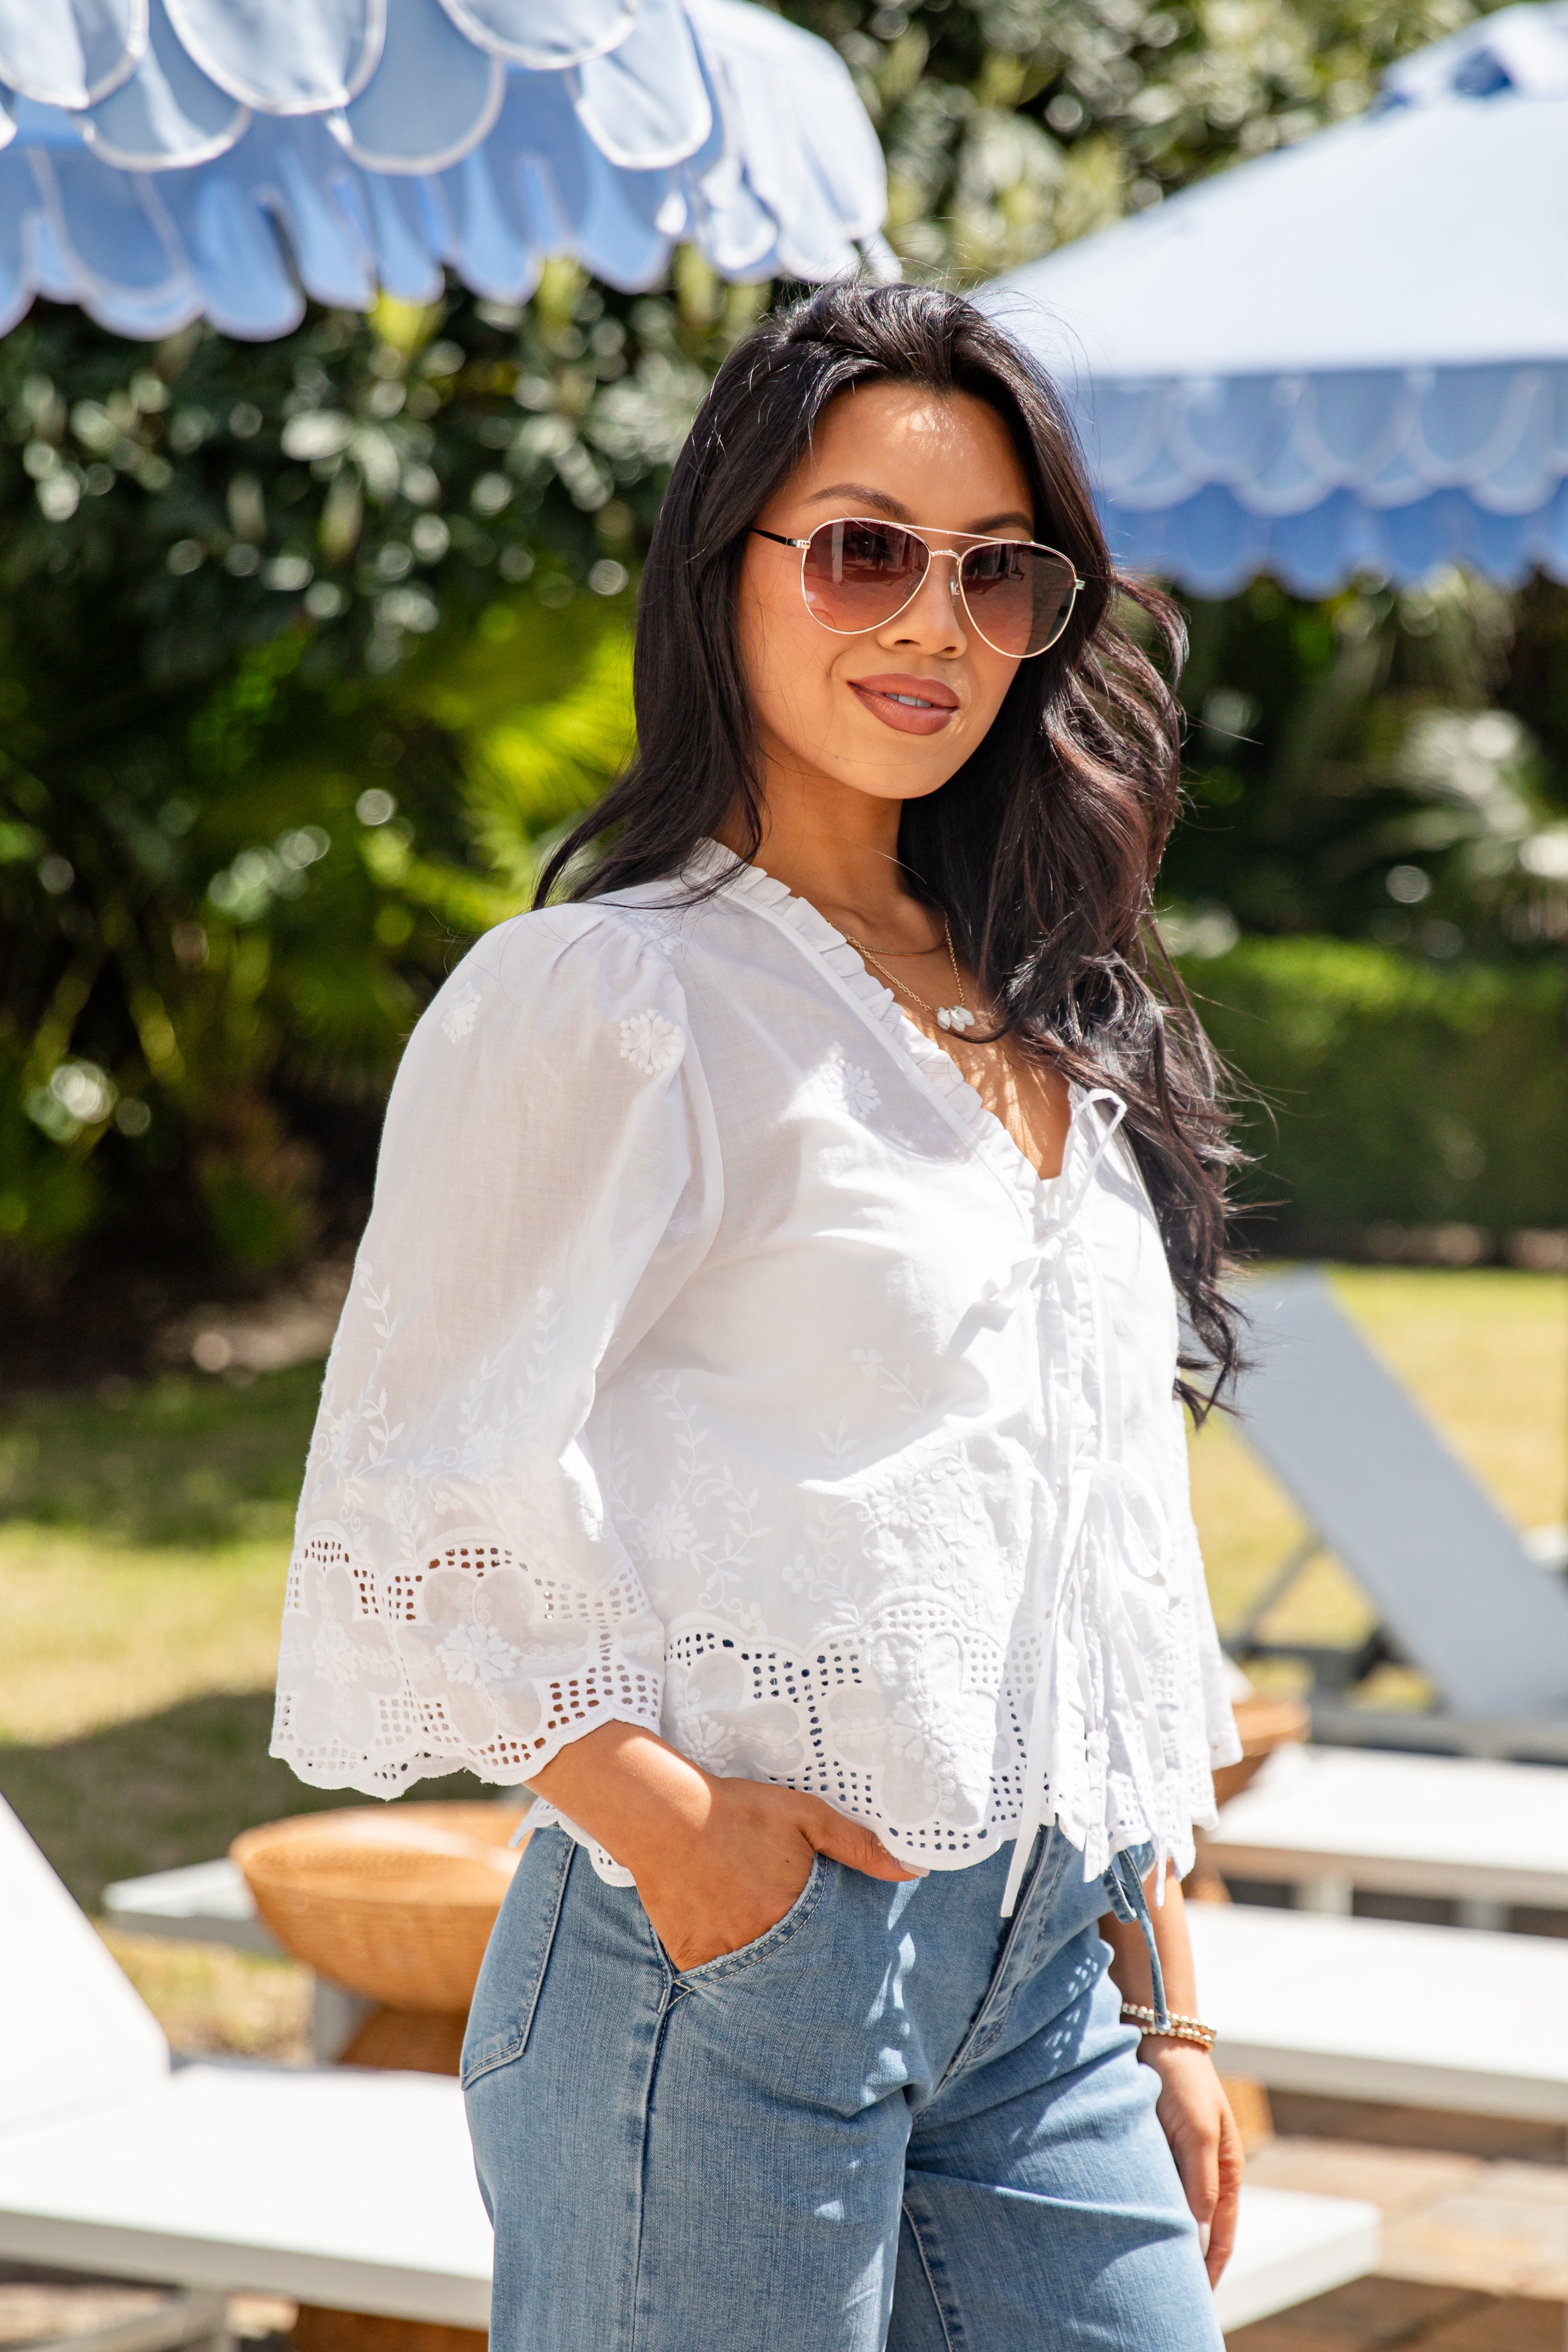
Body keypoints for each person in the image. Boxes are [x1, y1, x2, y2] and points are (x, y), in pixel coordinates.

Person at [272, 282, 1247, 2352]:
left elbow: (1092, 1547)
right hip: (725, 1971)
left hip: (1053, 1980)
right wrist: (680, 1839)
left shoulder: (1059, 1007)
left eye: (999, 573)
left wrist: (1162, 1985)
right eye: (864, 550)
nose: (932, 626)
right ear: (723, 570)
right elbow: (411, 1478)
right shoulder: (613, 995)